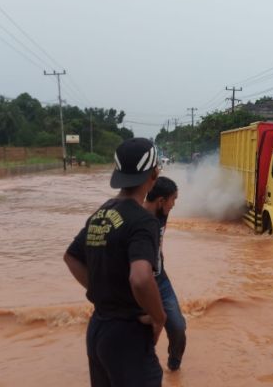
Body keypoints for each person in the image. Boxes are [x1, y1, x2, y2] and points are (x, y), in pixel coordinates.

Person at [64, 138, 166, 387]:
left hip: (98, 328)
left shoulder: (100, 214)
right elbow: (140, 278)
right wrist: (159, 317)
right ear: (154, 174)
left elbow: (72, 257)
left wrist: (101, 291)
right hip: (127, 335)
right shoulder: (144, 221)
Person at [143, 177, 186, 372]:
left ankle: (174, 368)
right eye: (173, 200)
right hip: (141, 283)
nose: (174, 205)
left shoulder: (162, 214)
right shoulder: (137, 220)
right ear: (161, 201)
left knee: (178, 328)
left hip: (161, 278)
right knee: (143, 332)